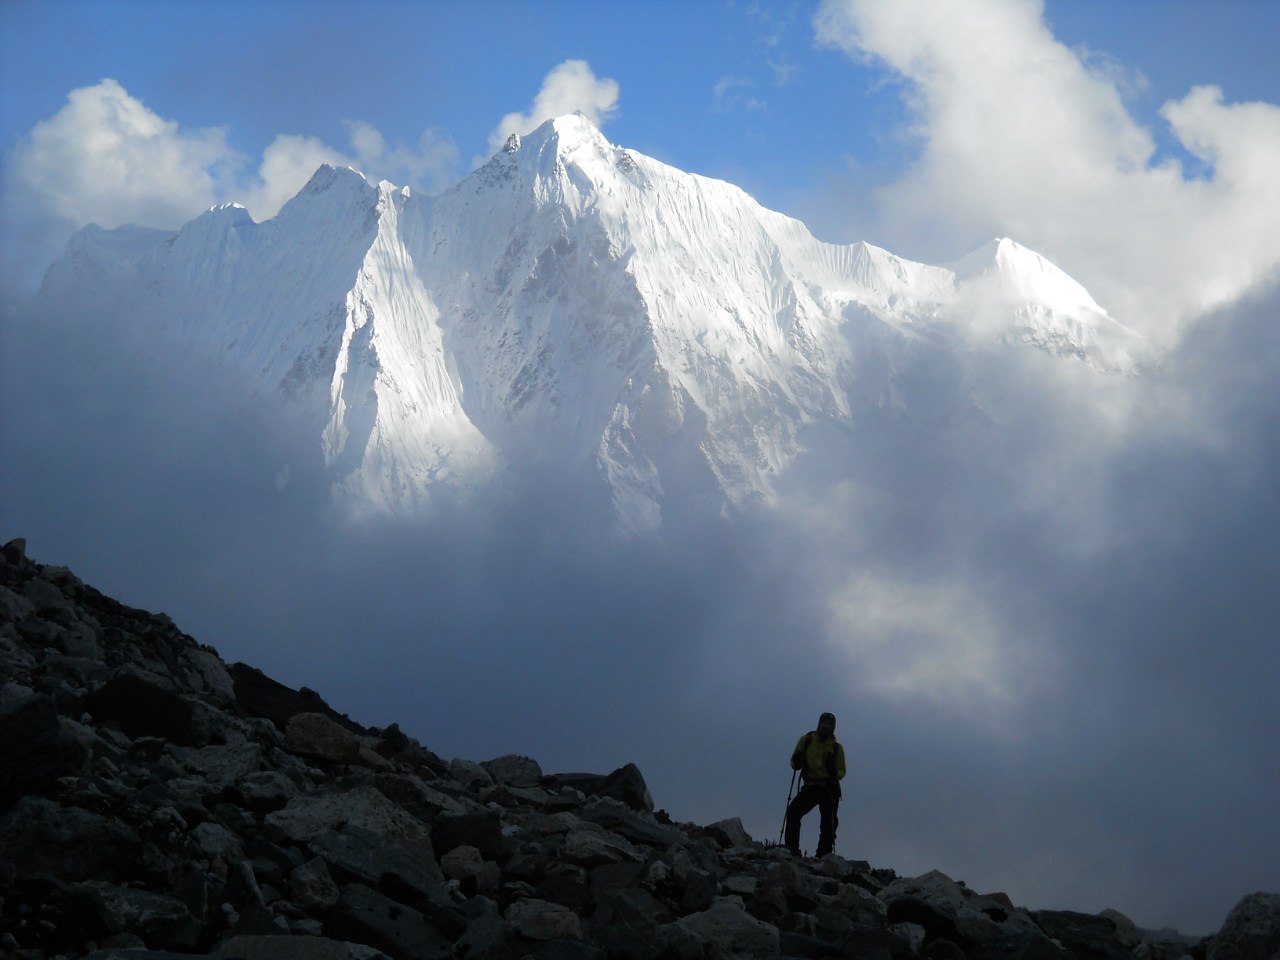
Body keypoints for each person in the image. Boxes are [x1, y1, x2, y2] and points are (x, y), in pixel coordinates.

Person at [784, 711, 846, 858]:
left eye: (829, 724)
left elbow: (842, 771)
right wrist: (797, 759)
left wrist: (834, 773)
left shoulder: (836, 748)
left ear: (833, 727)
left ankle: (822, 855)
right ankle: (792, 849)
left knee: (828, 824)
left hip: (828, 788)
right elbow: (795, 764)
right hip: (811, 786)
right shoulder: (807, 740)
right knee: (793, 813)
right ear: (819, 723)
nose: (826, 726)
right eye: (824, 723)